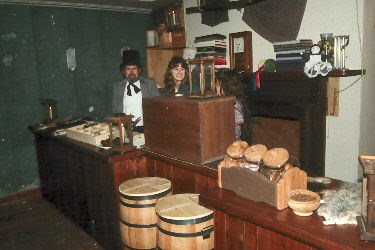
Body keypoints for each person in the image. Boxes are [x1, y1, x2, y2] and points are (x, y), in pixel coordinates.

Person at [112, 50, 159, 133]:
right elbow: (115, 109)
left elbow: (157, 107)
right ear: (123, 71)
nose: (131, 72)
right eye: (128, 69)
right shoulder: (118, 87)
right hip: (125, 128)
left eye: (134, 69)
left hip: (145, 128)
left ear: (139, 70)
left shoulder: (150, 84)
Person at [215, 68, 250, 140]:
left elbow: (235, 135)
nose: (216, 88)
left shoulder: (234, 106)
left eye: (218, 85)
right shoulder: (233, 101)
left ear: (226, 87)